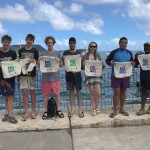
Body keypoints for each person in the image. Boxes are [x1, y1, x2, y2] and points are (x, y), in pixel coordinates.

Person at [106, 37, 135, 118]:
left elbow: (132, 62)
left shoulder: (129, 52)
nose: (123, 44)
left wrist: (133, 63)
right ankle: (115, 110)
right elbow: (107, 60)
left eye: (125, 42)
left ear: (127, 44)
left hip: (125, 75)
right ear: (119, 43)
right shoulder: (114, 52)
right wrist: (111, 64)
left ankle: (122, 108)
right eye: (122, 42)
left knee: (123, 92)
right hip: (115, 75)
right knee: (116, 92)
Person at [39, 36, 64, 119]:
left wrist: (59, 60)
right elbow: (39, 67)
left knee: (57, 94)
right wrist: (39, 60)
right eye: (48, 42)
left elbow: (61, 66)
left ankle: (58, 110)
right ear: (46, 43)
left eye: (51, 42)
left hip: (55, 78)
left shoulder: (57, 53)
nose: (50, 44)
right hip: (45, 78)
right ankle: (46, 111)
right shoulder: (42, 54)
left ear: (53, 43)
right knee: (45, 95)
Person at [18, 34, 39, 121]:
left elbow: (37, 63)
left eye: (31, 40)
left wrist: (34, 60)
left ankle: (33, 111)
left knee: (32, 92)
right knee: (24, 93)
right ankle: (26, 111)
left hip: (32, 74)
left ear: (33, 41)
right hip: (22, 74)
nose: (29, 41)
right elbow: (18, 62)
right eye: (28, 39)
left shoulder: (35, 51)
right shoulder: (20, 50)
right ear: (25, 40)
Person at [63, 37, 84, 118]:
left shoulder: (79, 53)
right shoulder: (65, 53)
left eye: (73, 43)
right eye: (70, 43)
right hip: (69, 75)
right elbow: (63, 64)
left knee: (79, 92)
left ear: (75, 44)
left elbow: (82, 67)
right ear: (69, 44)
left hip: (77, 75)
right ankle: (72, 108)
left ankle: (79, 108)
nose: (72, 44)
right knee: (71, 92)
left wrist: (82, 59)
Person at [0, 35, 18, 124]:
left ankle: (11, 114)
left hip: (10, 78)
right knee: (5, 96)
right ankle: (7, 113)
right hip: (1, 78)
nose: (6, 43)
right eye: (5, 41)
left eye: (8, 42)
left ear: (10, 43)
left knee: (10, 96)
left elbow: (16, 65)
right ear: (2, 42)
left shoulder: (13, 53)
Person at [82, 42, 102, 116]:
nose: (93, 48)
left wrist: (102, 64)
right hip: (89, 76)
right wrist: (83, 64)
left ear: (96, 47)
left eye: (94, 46)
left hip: (97, 76)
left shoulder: (98, 55)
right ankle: (93, 109)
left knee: (98, 93)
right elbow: (83, 67)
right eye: (91, 46)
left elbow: (101, 66)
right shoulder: (85, 56)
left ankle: (97, 107)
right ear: (89, 47)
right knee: (92, 93)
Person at [134, 42, 150, 115]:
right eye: (145, 46)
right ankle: (142, 109)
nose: (146, 48)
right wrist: (136, 57)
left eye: (148, 46)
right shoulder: (141, 56)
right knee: (144, 92)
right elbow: (135, 64)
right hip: (143, 77)